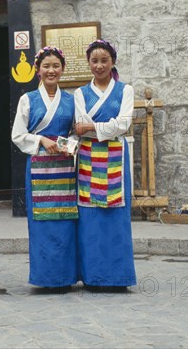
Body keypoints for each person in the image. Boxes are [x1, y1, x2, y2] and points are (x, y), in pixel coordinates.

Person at [11, 46, 78, 292]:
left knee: (65, 219)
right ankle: (44, 276)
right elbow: (18, 134)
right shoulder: (27, 99)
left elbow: (75, 132)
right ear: (38, 70)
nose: (51, 70)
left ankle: (64, 276)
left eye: (56, 66)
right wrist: (41, 140)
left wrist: (66, 145)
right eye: (46, 66)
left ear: (62, 69)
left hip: (63, 166)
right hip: (38, 165)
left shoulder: (71, 100)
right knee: (41, 222)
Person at [73, 39, 136, 291]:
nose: (99, 65)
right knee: (91, 219)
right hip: (88, 158)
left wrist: (92, 127)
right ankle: (93, 277)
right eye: (94, 61)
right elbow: (80, 126)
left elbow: (124, 124)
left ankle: (118, 277)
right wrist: (99, 128)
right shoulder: (79, 93)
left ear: (113, 62)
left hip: (116, 160)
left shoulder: (125, 90)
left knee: (116, 218)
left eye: (104, 60)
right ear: (88, 63)